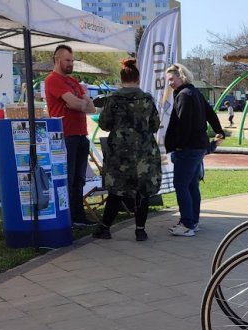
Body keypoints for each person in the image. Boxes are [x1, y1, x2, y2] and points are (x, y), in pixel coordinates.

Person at [92, 58, 162, 242]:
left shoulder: (113, 99)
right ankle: (140, 231)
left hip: (119, 154)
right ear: (138, 79)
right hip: (144, 153)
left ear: (122, 79)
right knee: (142, 191)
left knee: (116, 190)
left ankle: (105, 228)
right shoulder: (147, 99)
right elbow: (155, 124)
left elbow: (104, 124)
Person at [164, 63, 225, 237]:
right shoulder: (195, 93)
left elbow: (183, 124)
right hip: (198, 147)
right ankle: (192, 221)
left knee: (182, 185)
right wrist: (219, 130)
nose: (170, 83)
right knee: (191, 186)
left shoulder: (184, 95)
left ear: (180, 77)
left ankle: (187, 224)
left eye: (171, 79)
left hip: (188, 148)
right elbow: (210, 113)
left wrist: (178, 145)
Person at [44, 44, 96, 228]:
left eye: (72, 60)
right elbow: (78, 104)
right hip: (66, 135)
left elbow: (90, 108)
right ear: (57, 60)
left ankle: (79, 215)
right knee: (68, 178)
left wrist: (79, 102)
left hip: (81, 134)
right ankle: (68, 217)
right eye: (67, 60)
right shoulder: (53, 79)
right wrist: (81, 101)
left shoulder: (73, 81)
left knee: (79, 179)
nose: (71, 64)